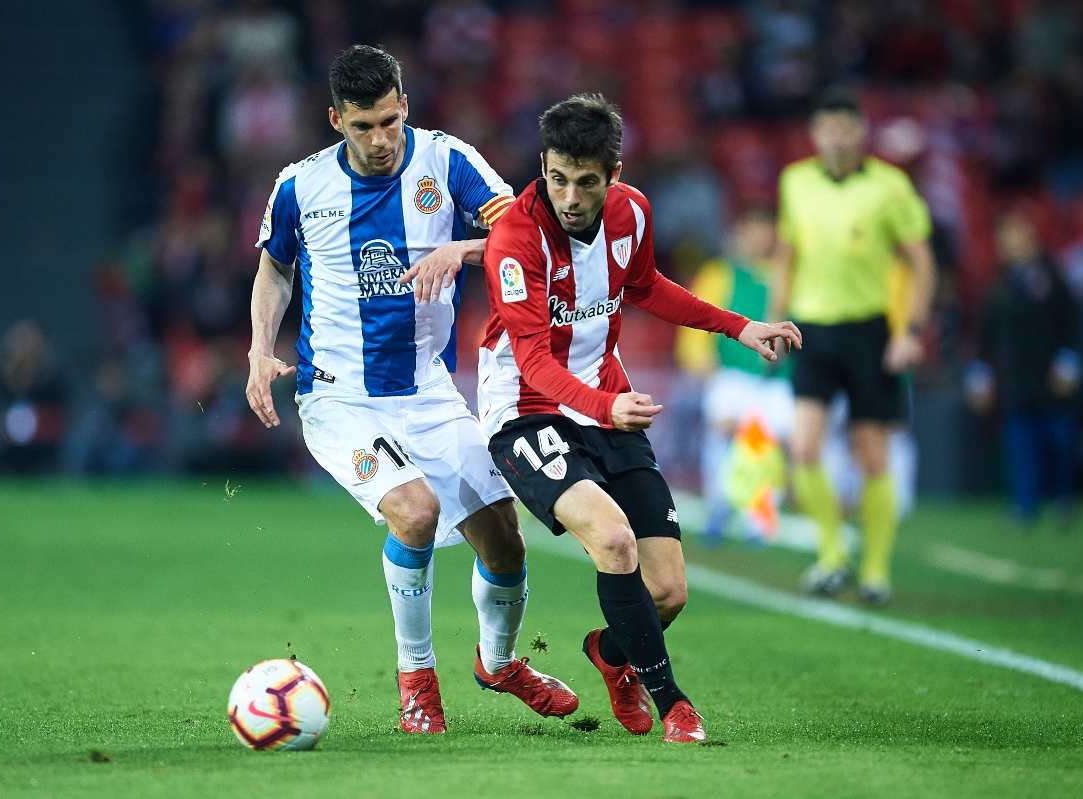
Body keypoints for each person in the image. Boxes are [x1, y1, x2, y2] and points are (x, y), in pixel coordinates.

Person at [245, 45, 577, 735]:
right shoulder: (300, 186)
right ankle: (417, 681)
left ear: (405, 105)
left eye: (390, 121)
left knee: (506, 541)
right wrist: (258, 350)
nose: (380, 140)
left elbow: (528, 237)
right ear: (336, 120)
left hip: (428, 391)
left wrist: (462, 249)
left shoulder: (448, 161)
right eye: (362, 126)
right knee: (415, 511)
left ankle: (498, 663)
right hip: (338, 397)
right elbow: (276, 268)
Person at [473, 94, 800, 742]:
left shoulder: (633, 212)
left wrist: (739, 326)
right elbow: (533, 361)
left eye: (586, 181)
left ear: (613, 175)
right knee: (615, 540)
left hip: (605, 403)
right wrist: (606, 405)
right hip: (527, 411)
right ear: (543, 165)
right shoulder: (515, 240)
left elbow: (646, 285)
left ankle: (611, 652)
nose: (569, 197)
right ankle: (675, 703)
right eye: (557, 178)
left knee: (669, 592)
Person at [770, 87, 937, 606]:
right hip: (812, 329)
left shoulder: (890, 186)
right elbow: (787, 254)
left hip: (869, 330)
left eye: (845, 128)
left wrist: (910, 331)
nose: (837, 138)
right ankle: (832, 554)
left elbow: (922, 262)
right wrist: (773, 320)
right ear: (815, 134)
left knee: (872, 453)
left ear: (861, 132)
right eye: (828, 128)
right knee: (803, 447)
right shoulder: (795, 181)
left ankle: (876, 571)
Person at [675, 208, 794, 543]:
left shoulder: (785, 276)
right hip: (731, 374)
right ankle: (720, 505)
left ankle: (760, 517)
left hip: (776, 380)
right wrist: (699, 360)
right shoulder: (721, 274)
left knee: (766, 445)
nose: (759, 238)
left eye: (765, 230)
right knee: (724, 434)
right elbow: (695, 317)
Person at [966, 212, 1080, 528]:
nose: (1006, 244)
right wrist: (979, 375)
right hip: (1014, 379)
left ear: (1029, 236)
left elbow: (1070, 321)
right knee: (1019, 444)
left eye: (1012, 235)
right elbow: (986, 335)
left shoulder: (1051, 275)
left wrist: (1069, 363)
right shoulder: (999, 283)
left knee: (1058, 441)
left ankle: (1063, 500)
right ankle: (1024, 505)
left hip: (1050, 377)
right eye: (1003, 238)